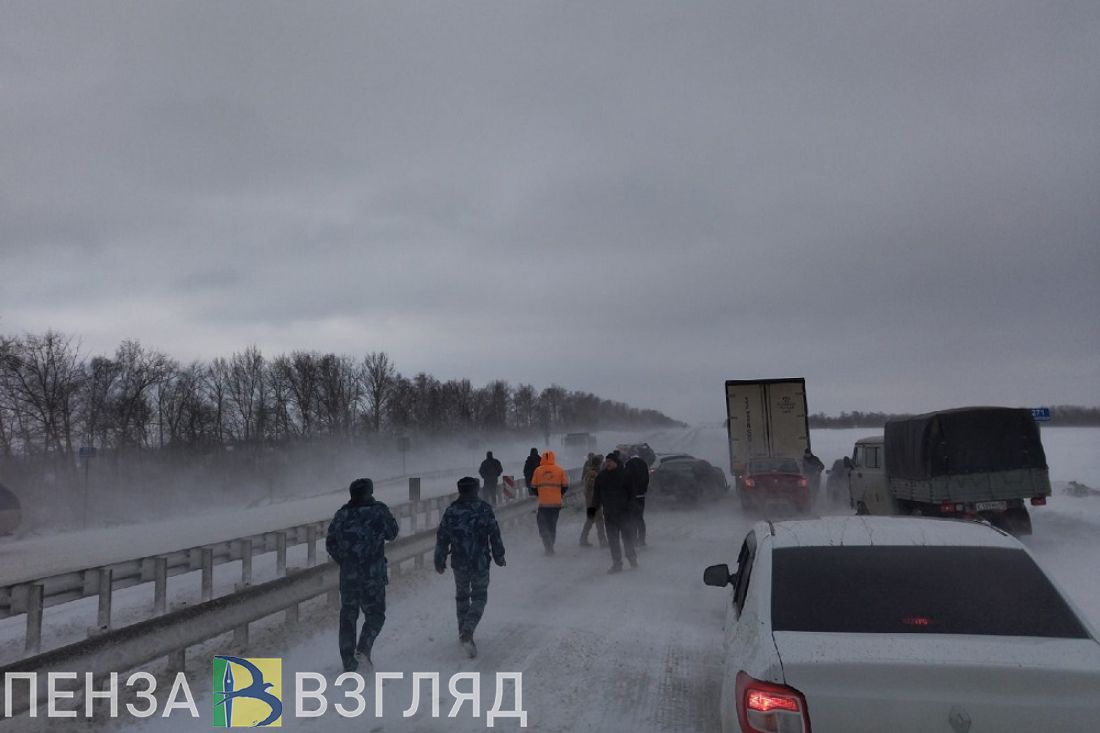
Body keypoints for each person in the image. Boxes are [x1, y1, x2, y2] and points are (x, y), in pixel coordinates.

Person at [325, 478, 399, 672]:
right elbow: (392, 533)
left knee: (348, 616)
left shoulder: (341, 515)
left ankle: (348, 661)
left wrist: (346, 561)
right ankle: (364, 647)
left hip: (349, 576)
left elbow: (330, 543)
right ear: (370, 491)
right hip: (373, 574)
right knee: (376, 615)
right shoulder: (378, 511)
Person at [435, 476, 507, 658]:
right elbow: (494, 533)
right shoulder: (484, 508)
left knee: (462, 597)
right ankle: (467, 631)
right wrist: (499, 555)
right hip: (480, 561)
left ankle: (463, 633)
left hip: (459, 562)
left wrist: (440, 558)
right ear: (476, 489)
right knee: (479, 596)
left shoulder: (451, 511)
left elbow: (442, 536)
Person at [593, 452, 637, 573]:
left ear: (616, 462)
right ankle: (617, 563)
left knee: (627, 538)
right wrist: (595, 507)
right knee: (613, 540)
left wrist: (631, 506)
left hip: (624, 513)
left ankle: (632, 558)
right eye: (606, 462)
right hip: (609, 514)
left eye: (610, 461)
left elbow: (632, 492)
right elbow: (596, 493)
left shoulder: (625, 474)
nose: (608, 464)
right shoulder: (601, 476)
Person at [529, 450, 569, 555]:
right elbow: (565, 486)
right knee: (552, 524)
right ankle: (551, 545)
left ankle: (548, 545)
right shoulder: (560, 470)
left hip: (543, 504)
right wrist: (558, 494)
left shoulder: (538, 470)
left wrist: (540, 494)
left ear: (542, 458)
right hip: (556, 504)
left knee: (542, 524)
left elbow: (533, 487)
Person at [580, 453, 607, 547]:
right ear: (598, 464)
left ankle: (583, 539)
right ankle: (603, 542)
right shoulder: (593, 473)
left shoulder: (592, 472)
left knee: (590, 520)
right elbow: (591, 487)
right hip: (594, 501)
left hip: (591, 501)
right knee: (599, 520)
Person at [623, 454, 650, 547]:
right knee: (640, 518)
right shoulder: (644, 464)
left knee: (632, 518)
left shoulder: (628, 464)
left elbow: (626, 479)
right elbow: (647, 478)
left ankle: (634, 540)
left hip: (632, 496)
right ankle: (642, 540)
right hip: (641, 495)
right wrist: (644, 489)